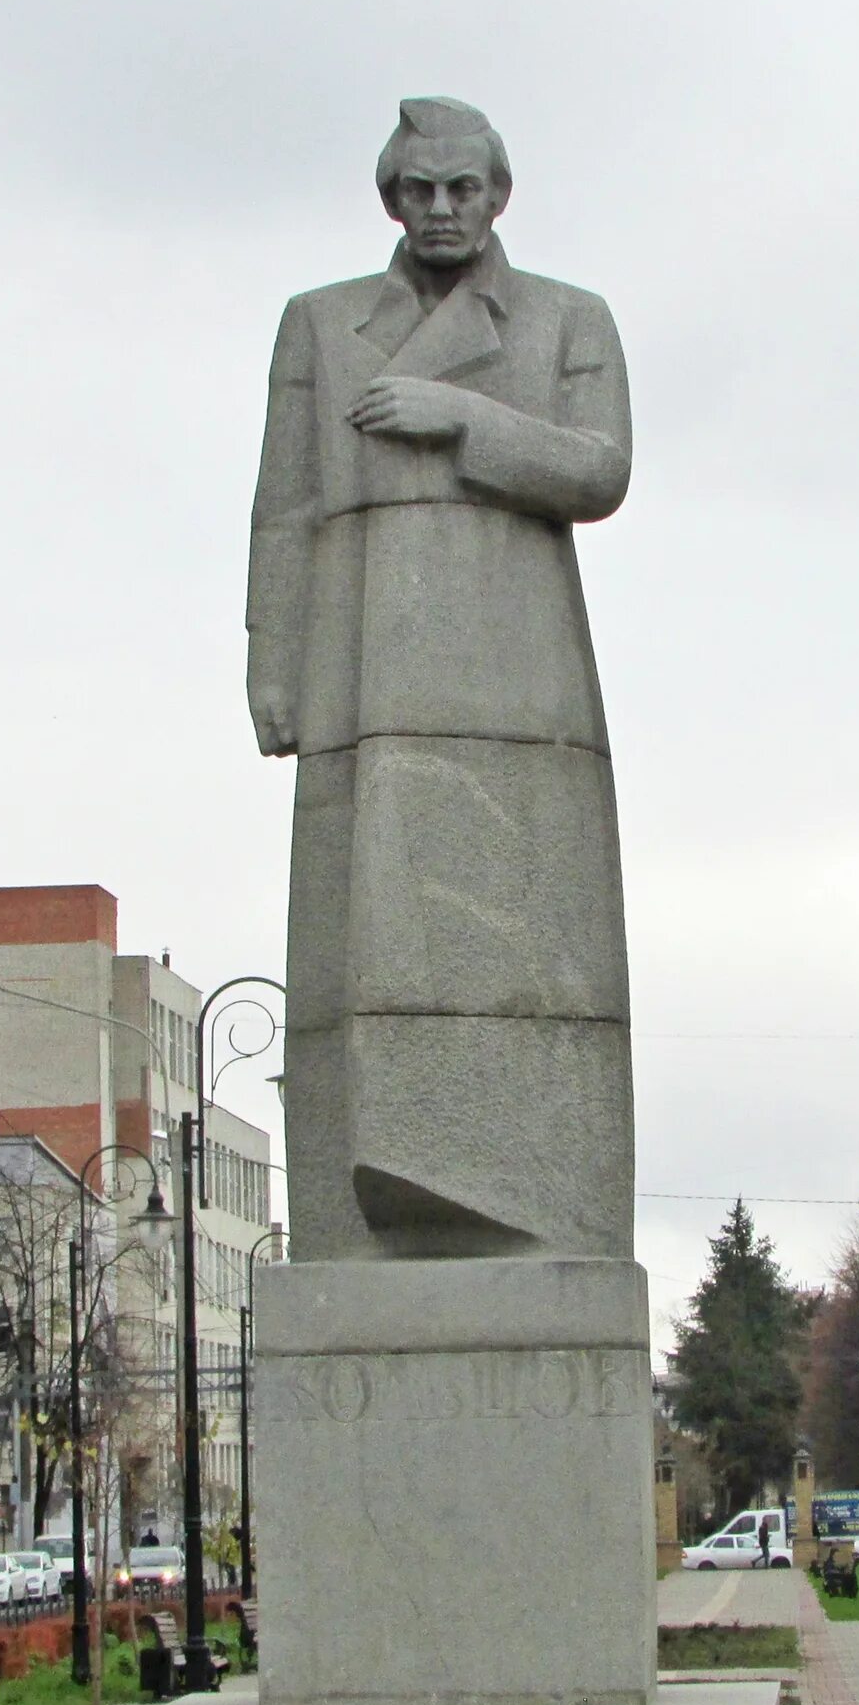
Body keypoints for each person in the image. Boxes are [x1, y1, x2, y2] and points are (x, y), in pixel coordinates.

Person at [247, 97, 635, 1263]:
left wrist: (459, 416)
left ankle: (517, 1188)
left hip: (518, 673)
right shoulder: (320, 325)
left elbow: (601, 469)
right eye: (419, 189)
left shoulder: (569, 316)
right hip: (364, 666)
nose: (442, 209)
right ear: (391, 196)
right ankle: (388, 1192)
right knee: (372, 926)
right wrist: (275, 659)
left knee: (515, 912)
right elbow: (284, 505)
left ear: (498, 192)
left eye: (462, 187)